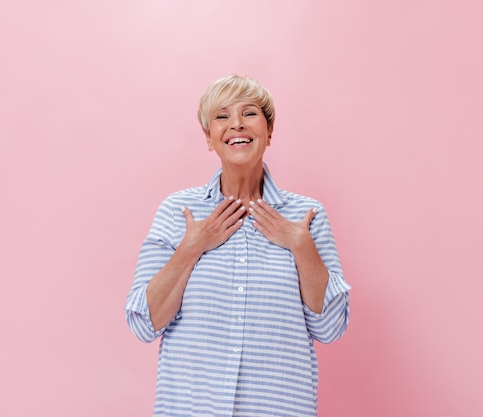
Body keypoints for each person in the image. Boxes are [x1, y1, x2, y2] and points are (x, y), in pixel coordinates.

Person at [125, 74, 351, 417]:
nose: (236, 124)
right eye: (221, 116)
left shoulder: (307, 217)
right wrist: (192, 247)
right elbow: (144, 324)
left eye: (249, 113)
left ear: (269, 131)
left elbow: (331, 327)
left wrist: (300, 245)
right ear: (209, 139)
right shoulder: (177, 212)